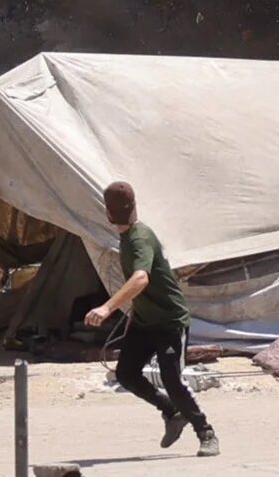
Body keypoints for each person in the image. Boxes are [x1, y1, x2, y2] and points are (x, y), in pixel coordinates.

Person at [83, 181, 217, 458]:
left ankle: (206, 432)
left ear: (107, 214)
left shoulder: (140, 238)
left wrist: (107, 308)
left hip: (170, 322)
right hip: (144, 322)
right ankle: (171, 411)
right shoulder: (129, 237)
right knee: (125, 374)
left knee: (172, 379)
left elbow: (141, 277)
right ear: (134, 207)